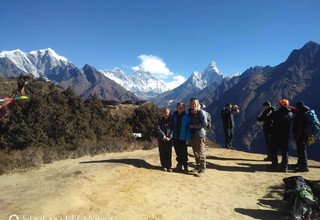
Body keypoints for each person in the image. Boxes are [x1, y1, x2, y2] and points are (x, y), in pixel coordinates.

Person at [269, 99, 293, 172]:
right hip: (285, 134)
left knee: (274, 150)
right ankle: (284, 167)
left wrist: (272, 111)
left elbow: (271, 117)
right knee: (285, 151)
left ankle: (274, 165)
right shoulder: (290, 113)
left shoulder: (277, 113)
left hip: (276, 134)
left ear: (280, 104)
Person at [189, 98, 208, 177]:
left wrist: (194, 126)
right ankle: (197, 166)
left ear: (197, 104)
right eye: (191, 103)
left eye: (194, 103)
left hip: (200, 135)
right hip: (193, 135)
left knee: (200, 152)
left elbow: (204, 124)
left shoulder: (201, 112)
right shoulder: (192, 112)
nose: (193, 105)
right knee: (195, 152)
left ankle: (202, 169)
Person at [172, 102, 191, 173]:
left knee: (184, 153)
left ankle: (185, 167)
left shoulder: (186, 116)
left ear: (184, 108)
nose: (180, 109)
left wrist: (188, 138)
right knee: (178, 152)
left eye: (182, 108)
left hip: (183, 138)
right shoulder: (174, 115)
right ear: (177, 108)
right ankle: (179, 166)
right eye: (179, 108)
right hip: (176, 137)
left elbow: (188, 128)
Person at [291, 101, 310, 172]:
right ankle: (299, 163)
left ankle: (304, 166)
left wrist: (297, 136)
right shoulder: (303, 112)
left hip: (301, 135)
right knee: (300, 149)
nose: (295, 107)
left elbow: (299, 126)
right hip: (304, 134)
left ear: (298, 107)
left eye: (296, 106)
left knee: (302, 150)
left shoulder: (300, 115)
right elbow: (296, 111)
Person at [156, 108, 173, 172]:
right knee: (162, 152)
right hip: (161, 139)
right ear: (163, 113)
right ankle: (163, 166)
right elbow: (158, 128)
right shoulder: (159, 120)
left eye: (168, 113)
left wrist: (170, 136)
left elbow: (172, 130)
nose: (166, 114)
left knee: (169, 153)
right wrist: (163, 136)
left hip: (169, 139)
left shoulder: (171, 121)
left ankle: (169, 166)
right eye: (165, 113)